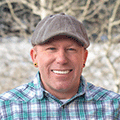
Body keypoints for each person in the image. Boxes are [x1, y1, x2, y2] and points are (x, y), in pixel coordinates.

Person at [0, 13, 120, 120]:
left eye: (71, 49)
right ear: (34, 57)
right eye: (51, 49)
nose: (62, 59)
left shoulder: (114, 107)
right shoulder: (6, 108)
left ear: (84, 57)